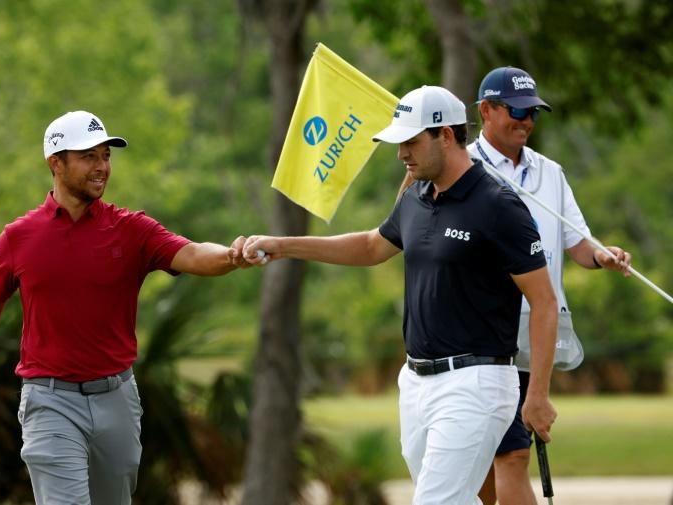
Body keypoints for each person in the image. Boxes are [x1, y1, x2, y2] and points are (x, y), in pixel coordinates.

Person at [243, 85, 559, 505]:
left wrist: (536, 394)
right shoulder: (417, 196)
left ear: (445, 135)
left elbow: (544, 302)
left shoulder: (498, 205)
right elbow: (372, 246)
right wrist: (284, 245)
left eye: (410, 142)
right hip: (415, 383)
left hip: (476, 384)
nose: (401, 154)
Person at [0, 110, 252, 505]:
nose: (102, 167)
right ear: (55, 163)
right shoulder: (19, 237)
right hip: (50, 400)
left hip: (117, 399)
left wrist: (232, 256)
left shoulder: (132, 229)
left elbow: (193, 253)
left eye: (106, 156)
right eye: (89, 157)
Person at [465, 67, 632, 505]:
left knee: (511, 455)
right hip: (479, 332)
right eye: (516, 111)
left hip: (533, 333)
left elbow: (578, 244)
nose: (526, 122)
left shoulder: (549, 173)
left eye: (533, 114)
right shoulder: (461, 167)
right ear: (486, 110)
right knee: (487, 461)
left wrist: (603, 255)